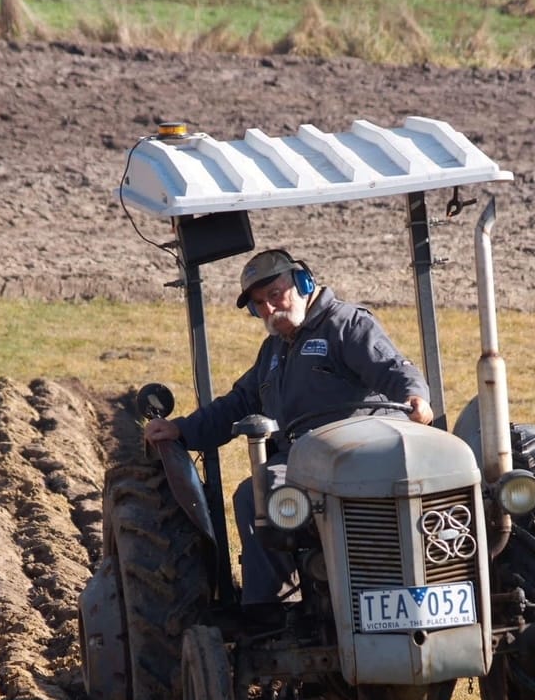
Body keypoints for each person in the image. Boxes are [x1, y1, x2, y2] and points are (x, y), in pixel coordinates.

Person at [143, 247, 434, 612]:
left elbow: (393, 367)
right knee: (257, 494)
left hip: (361, 451)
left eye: (274, 296)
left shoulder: (346, 325)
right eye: (258, 305)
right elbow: (236, 404)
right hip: (302, 461)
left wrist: (415, 397)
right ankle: (272, 616)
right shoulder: (273, 353)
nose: (268, 310)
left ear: (303, 282)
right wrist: (180, 429)